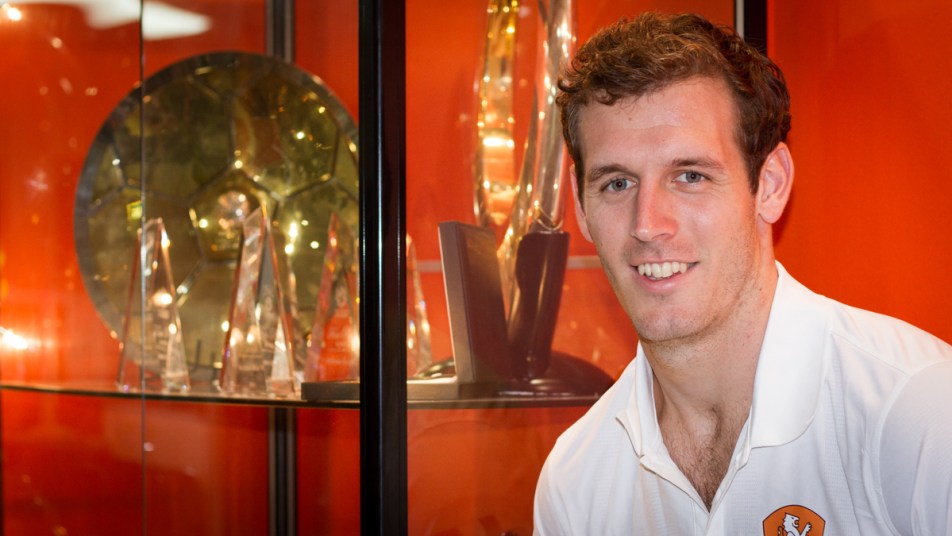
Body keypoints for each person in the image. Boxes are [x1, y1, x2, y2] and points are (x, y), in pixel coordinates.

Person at [533, 11, 952, 535]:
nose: (647, 225)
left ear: (770, 185)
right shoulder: (575, 482)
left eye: (690, 176)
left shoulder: (920, 412)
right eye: (617, 183)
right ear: (581, 207)